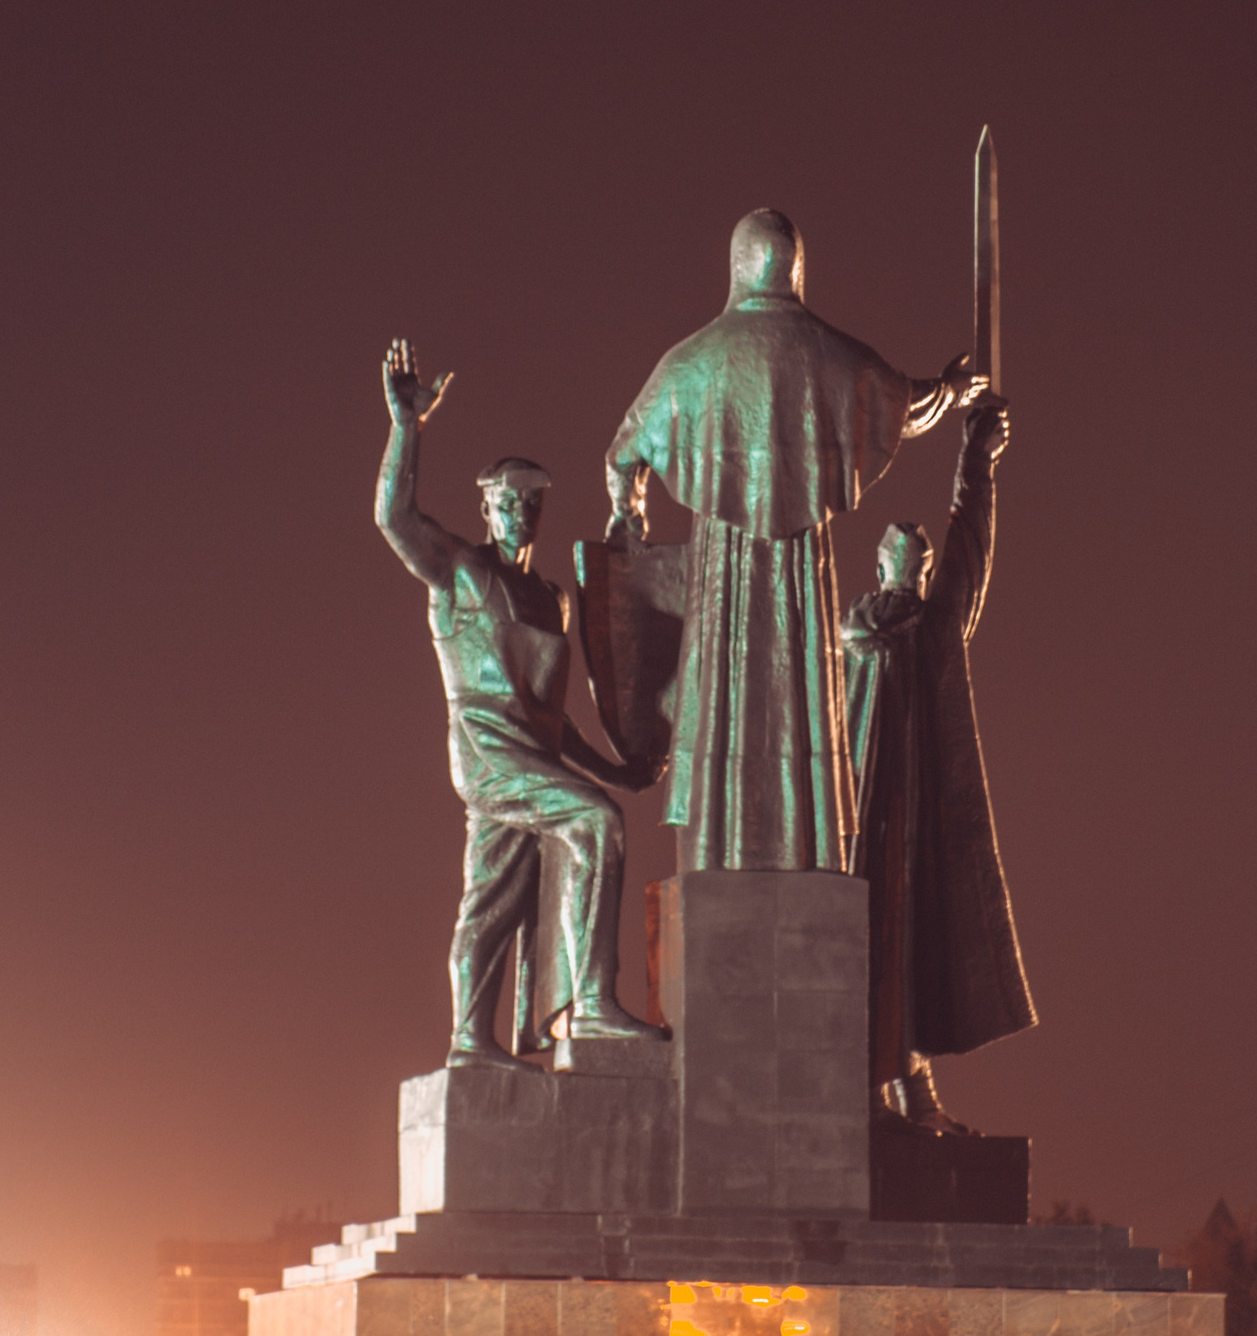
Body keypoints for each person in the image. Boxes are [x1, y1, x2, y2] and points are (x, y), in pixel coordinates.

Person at [605, 210, 978, 872]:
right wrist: (949, 391)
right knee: (800, 683)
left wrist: (630, 517)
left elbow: (622, 453)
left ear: (736, 266)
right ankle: (803, 840)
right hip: (801, 564)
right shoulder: (827, 351)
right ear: (796, 268)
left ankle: (722, 845)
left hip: (723, 562)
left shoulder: (691, 360)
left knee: (727, 689)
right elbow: (901, 403)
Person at [375, 338, 664, 1067]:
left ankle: (471, 1041)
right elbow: (393, 518)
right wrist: (407, 427)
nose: (519, 515)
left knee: (493, 897)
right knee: (595, 822)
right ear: (487, 507)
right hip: (486, 753)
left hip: (529, 755)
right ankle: (592, 1002)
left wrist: (613, 763)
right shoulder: (463, 572)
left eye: (530, 504)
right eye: (506, 503)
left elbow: (551, 716)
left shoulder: (551, 599)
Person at [842, 398, 1035, 1131]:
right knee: (861, 947)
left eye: (920, 563)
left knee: (911, 946)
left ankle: (910, 1090)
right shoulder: (857, 631)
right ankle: (863, 1090)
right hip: (856, 824)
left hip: (915, 823)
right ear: (880, 562)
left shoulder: (930, 631)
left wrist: (975, 464)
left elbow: (970, 552)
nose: (917, 570)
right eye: (905, 558)